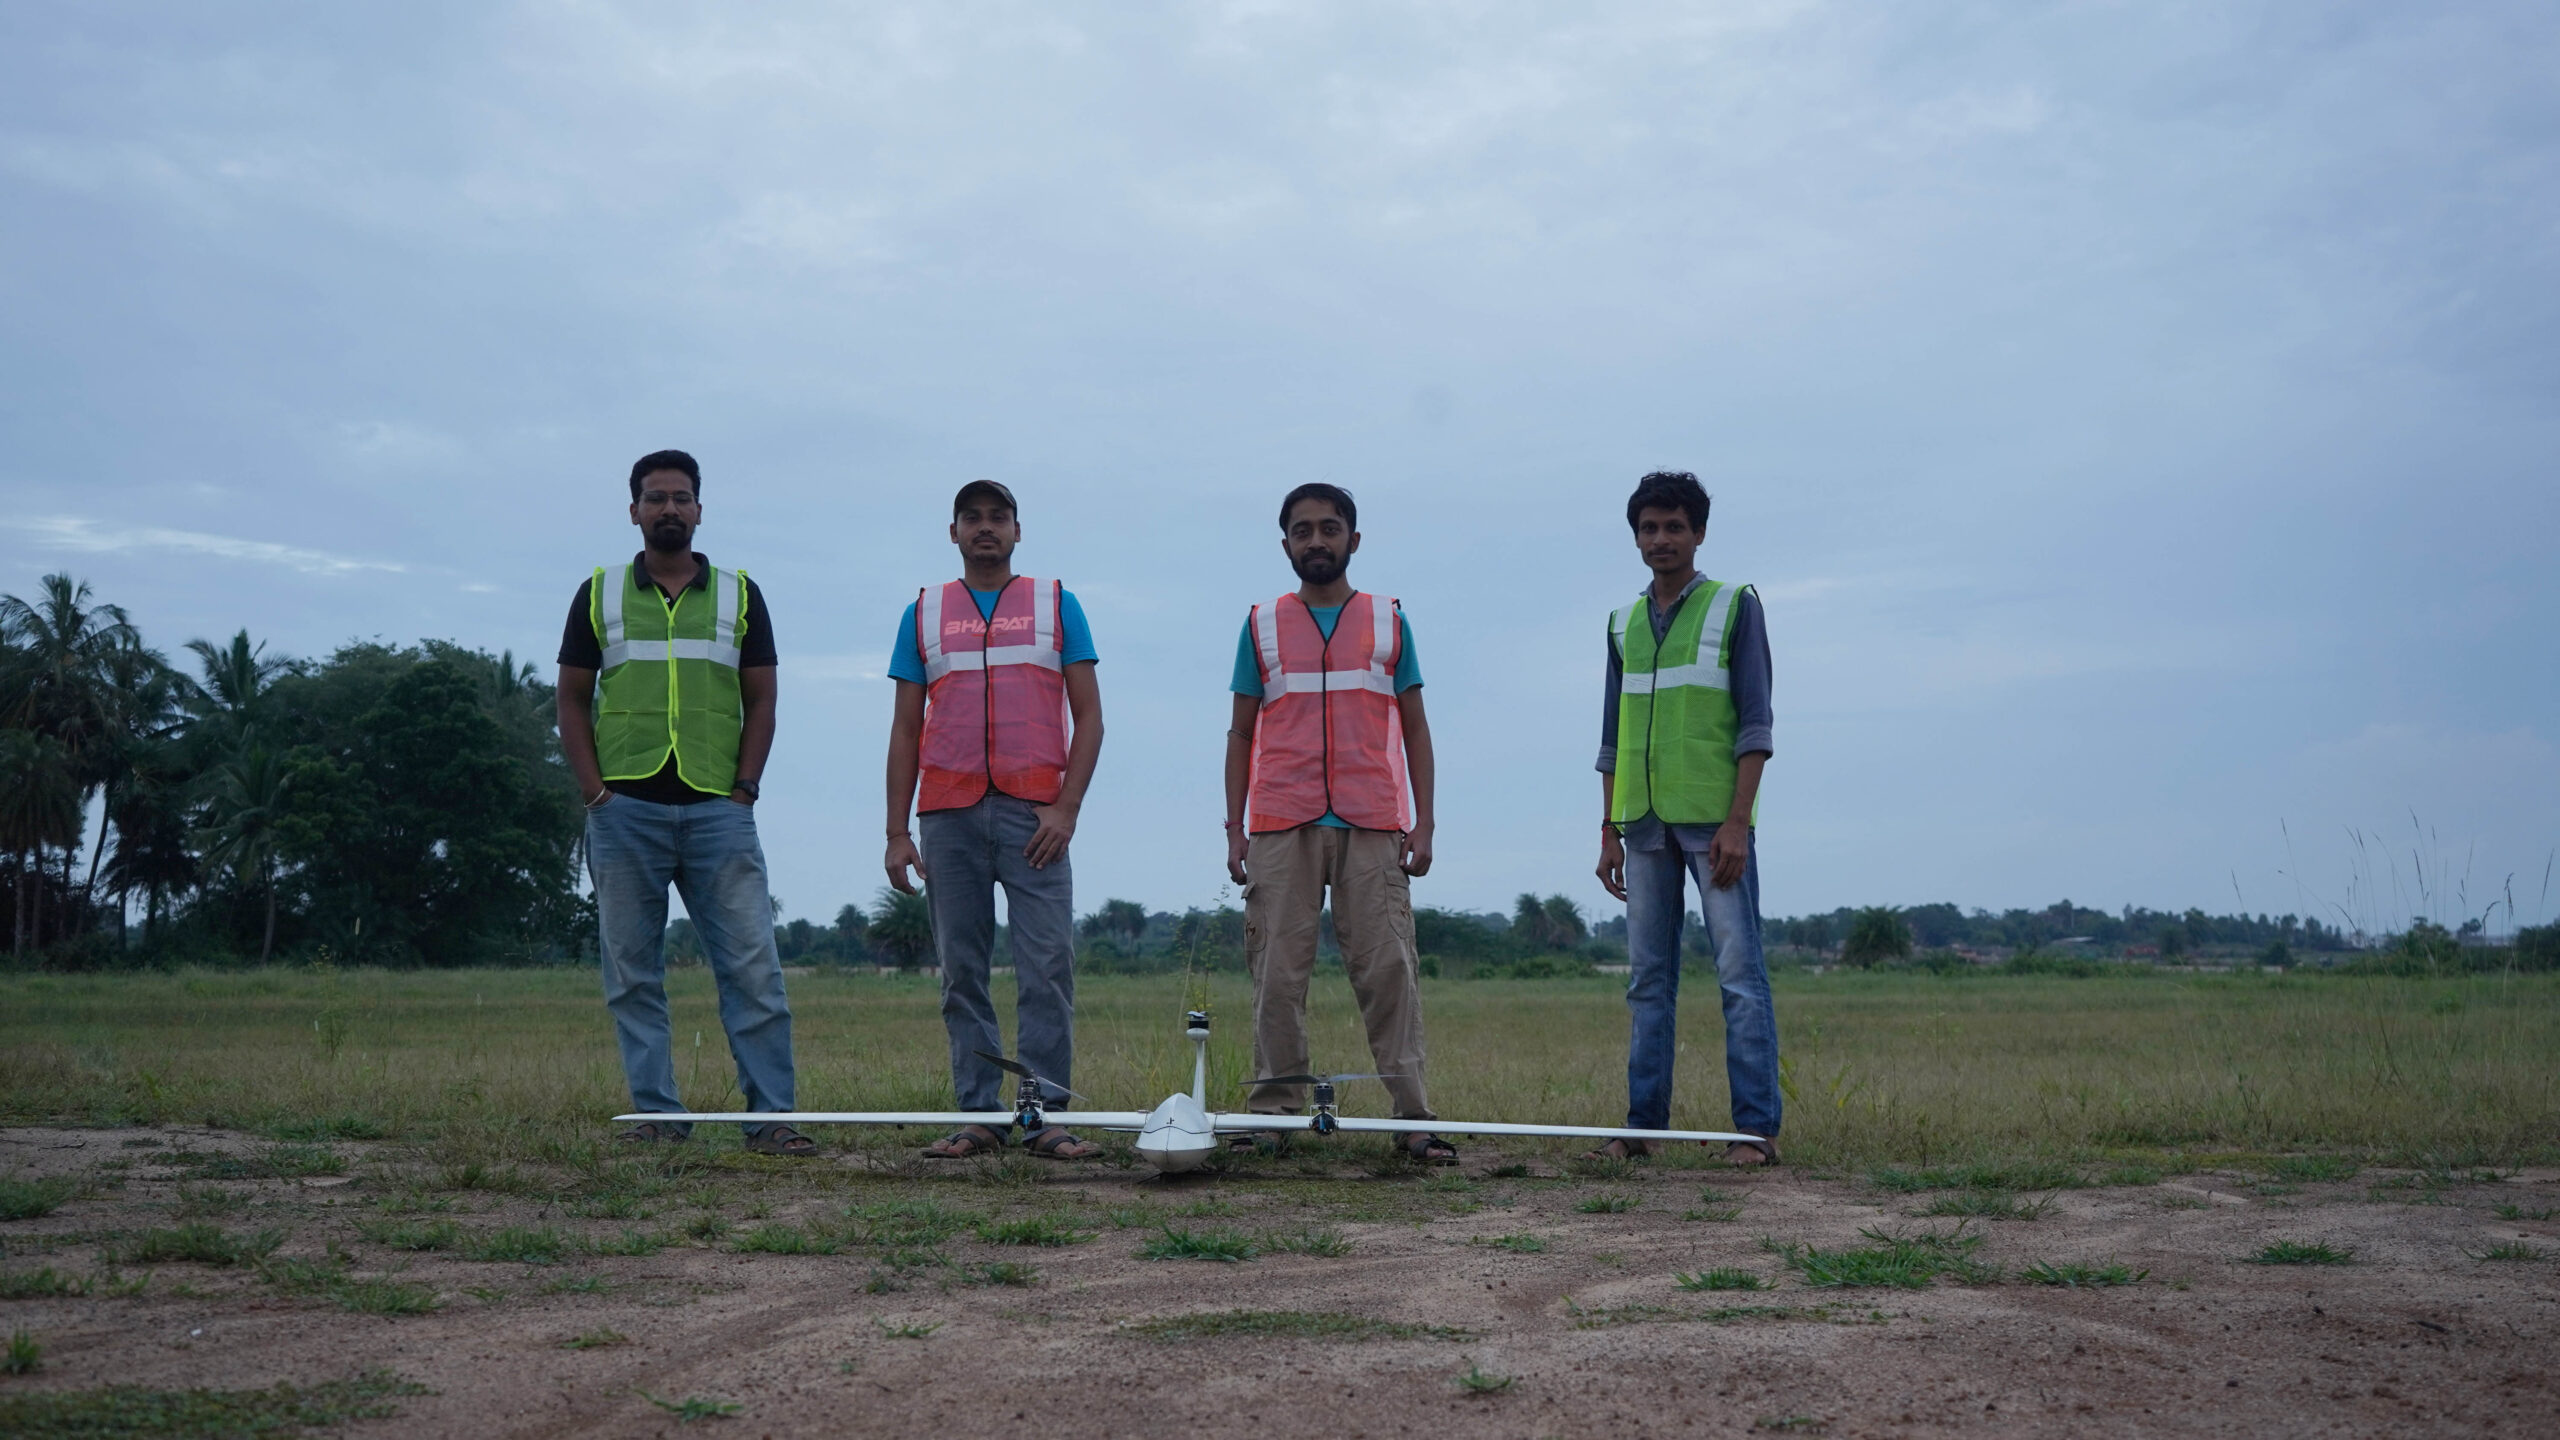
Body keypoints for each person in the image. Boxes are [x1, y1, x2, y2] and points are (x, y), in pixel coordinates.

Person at [556, 450, 811, 1155]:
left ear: (701, 510)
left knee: (754, 970)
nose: (669, 509)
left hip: (717, 811)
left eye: (682, 498)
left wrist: (745, 789)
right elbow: (572, 701)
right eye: (655, 498)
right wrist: (594, 792)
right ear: (633, 510)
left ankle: (773, 1121)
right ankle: (660, 1118)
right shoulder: (599, 592)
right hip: (623, 813)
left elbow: (762, 700)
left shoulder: (739, 594)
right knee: (632, 975)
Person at [1224, 483, 1454, 1163]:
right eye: (1302, 531)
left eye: (1329, 529)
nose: (1316, 541)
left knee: (1389, 971)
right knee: (1276, 974)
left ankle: (1413, 1117)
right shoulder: (1261, 623)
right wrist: (1233, 829)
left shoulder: (1388, 620)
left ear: (1354, 540)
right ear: (1286, 543)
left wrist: (1426, 823)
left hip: (1373, 820)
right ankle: (1274, 1114)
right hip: (1278, 820)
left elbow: (1415, 726)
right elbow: (1239, 733)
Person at [885, 480, 1105, 1160]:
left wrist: (1067, 808)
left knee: (1046, 965)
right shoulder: (923, 612)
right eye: (971, 518)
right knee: (962, 971)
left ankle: (1043, 1115)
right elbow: (903, 728)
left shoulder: (1056, 604)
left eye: (997, 517)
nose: (985, 528)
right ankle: (979, 1114)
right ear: (953, 532)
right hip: (947, 817)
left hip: (1035, 817)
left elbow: (1091, 716)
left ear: (1018, 530)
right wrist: (897, 831)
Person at [1593, 470, 1780, 1166]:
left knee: (1738, 974)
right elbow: (1611, 739)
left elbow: (1756, 726)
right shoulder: (1622, 624)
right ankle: (1642, 1129)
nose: (1661, 539)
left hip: (1714, 827)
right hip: (1641, 828)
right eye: (1649, 527)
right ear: (1636, 536)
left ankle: (1755, 1132)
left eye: (1675, 526)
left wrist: (1737, 821)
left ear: (1699, 532)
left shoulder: (1734, 607)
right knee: (1647, 980)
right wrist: (1607, 831)